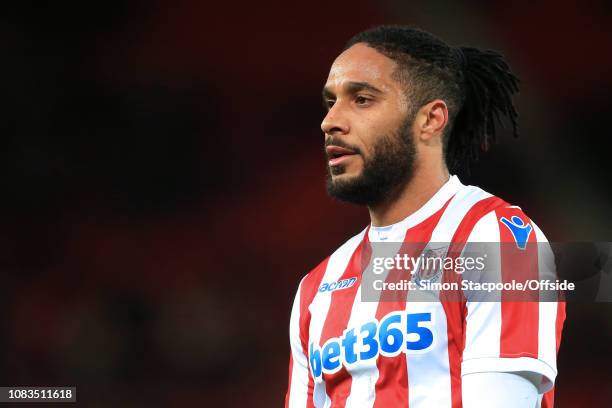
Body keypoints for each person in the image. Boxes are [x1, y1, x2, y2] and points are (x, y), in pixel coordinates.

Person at [285, 26, 565, 407]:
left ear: (431, 119)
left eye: (362, 99)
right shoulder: (315, 289)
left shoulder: (498, 241)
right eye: (330, 102)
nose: (330, 121)